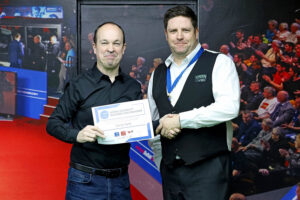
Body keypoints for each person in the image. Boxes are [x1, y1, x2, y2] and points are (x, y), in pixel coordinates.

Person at [147, 5, 240, 199]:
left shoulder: (219, 62)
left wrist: (180, 120)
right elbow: (154, 121)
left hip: (209, 171)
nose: (179, 36)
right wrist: (161, 161)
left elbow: (229, 108)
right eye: (173, 31)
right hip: (170, 171)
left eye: (185, 30)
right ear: (166, 34)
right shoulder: (158, 73)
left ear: (196, 32)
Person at [46, 22, 142, 199]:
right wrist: (77, 135)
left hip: (121, 182)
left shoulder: (133, 87)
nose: (110, 49)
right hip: (84, 181)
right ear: (95, 47)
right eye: (104, 43)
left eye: (116, 43)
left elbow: (139, 126)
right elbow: (53, 123)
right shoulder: (78, 84)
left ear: (123, 48)